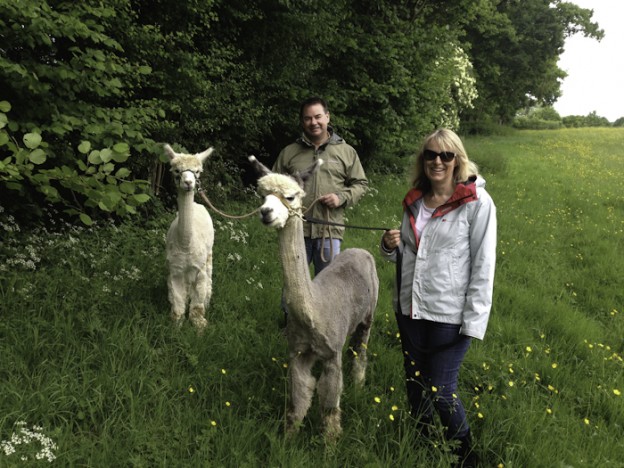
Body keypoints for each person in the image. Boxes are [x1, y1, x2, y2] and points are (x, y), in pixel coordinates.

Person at [380, 128, 496, 467]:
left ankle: (466, 456)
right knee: (415, 383)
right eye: (431, 154)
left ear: (458, 160)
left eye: (446, 155)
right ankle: (421, 443)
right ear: (423, 159)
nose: (437, 161)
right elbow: (406, 253)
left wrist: (473, 323)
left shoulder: (477, 203)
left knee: (442, 390)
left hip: (450, 315)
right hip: (410, 308)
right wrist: (389, 247)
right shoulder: (414, 200)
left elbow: (483, 266)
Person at [273, 96, 368, 275]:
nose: (313, 122)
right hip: (295, 230)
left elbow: (360, 183)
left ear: (327, 117)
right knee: (293, 288)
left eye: (317, 117)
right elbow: (272, 186)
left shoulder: (346, 152)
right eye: (308, 118)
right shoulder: (289, 153)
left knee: (328, 288)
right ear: (302, 121)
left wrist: (340, 198)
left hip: (329, 231)